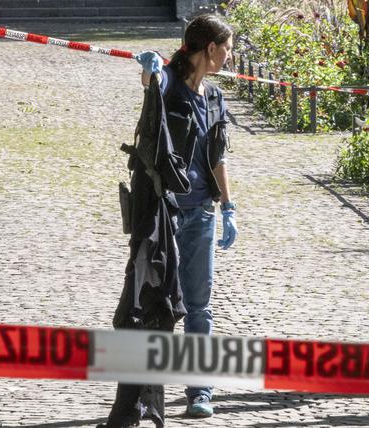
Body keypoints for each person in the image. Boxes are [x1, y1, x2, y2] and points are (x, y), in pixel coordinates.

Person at [135, 14, 237, 419]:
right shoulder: (169, 85)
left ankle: (200, 391)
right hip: (164, 212)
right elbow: (150, 84)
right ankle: (146, 395)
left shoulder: (214, 98)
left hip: (200, 213)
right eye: (226, 48)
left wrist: (228, 207)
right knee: (155, 306)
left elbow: (218, 156)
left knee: (199, 307)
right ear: (209, 49)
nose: (229, 57)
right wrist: (148, 69)